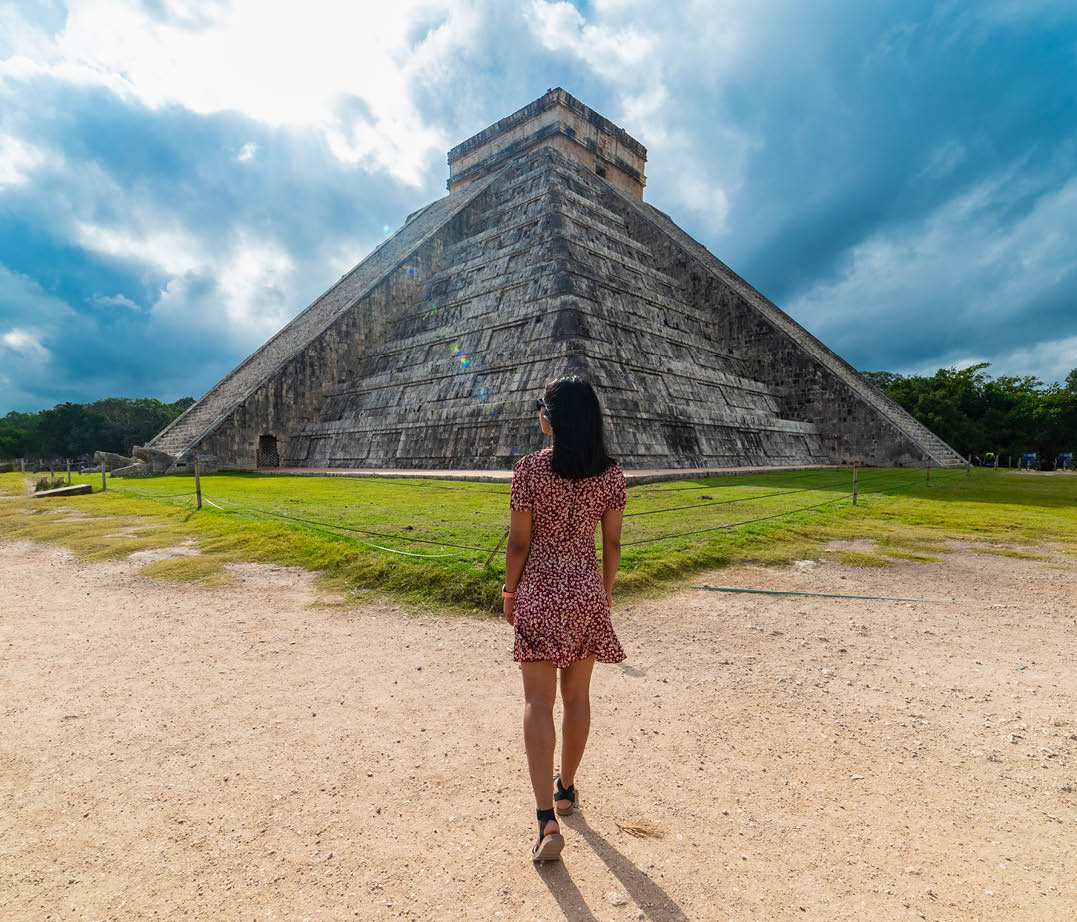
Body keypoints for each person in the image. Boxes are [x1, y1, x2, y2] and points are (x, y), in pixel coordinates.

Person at [502, 375, 627, 862]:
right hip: (585, 590)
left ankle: (545, 821)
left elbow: (518, 543)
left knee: (538, 702)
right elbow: (612, 544)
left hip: (538, 589)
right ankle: (566, 789)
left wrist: (510, 590)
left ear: (549, 419)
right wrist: (604, 594)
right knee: (578, 698)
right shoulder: (612, 475)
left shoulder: (529, 470)